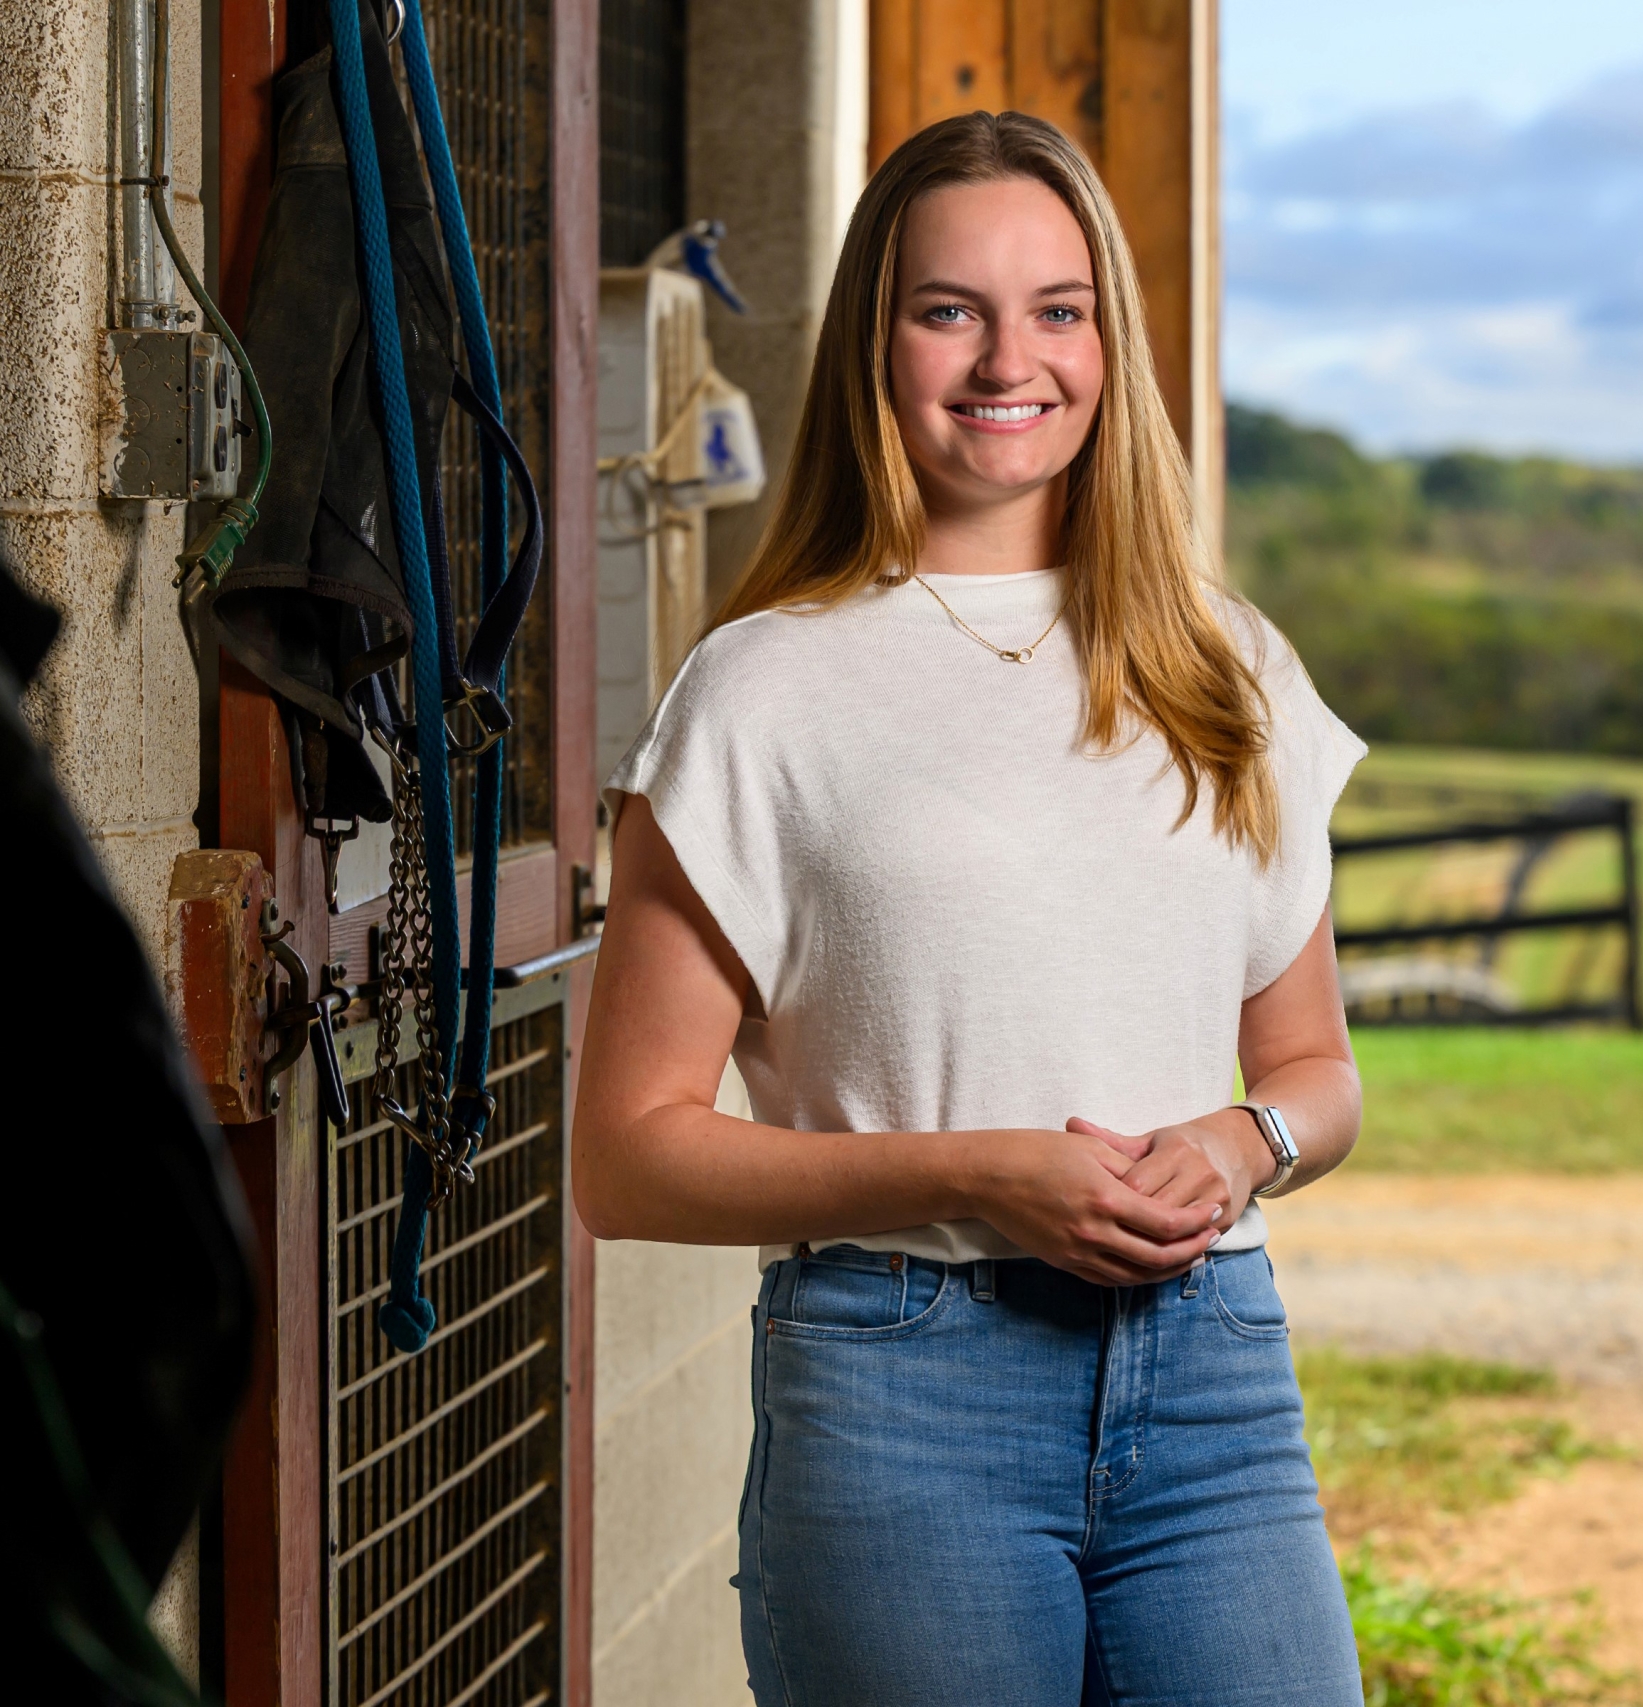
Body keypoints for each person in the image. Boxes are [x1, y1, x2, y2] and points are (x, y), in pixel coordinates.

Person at [573, 111, 1369, 1707]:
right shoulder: (762, 689)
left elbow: (1316, 1075)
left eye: (1057, 309)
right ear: (879, 336)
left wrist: (1239, 1147)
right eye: (951, 309)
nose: (1011, 358)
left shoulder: (1225, 666)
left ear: (1106, 340)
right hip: (901, 1389)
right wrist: (982, 1176)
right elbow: (625, 1155)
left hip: (1210, 1377)